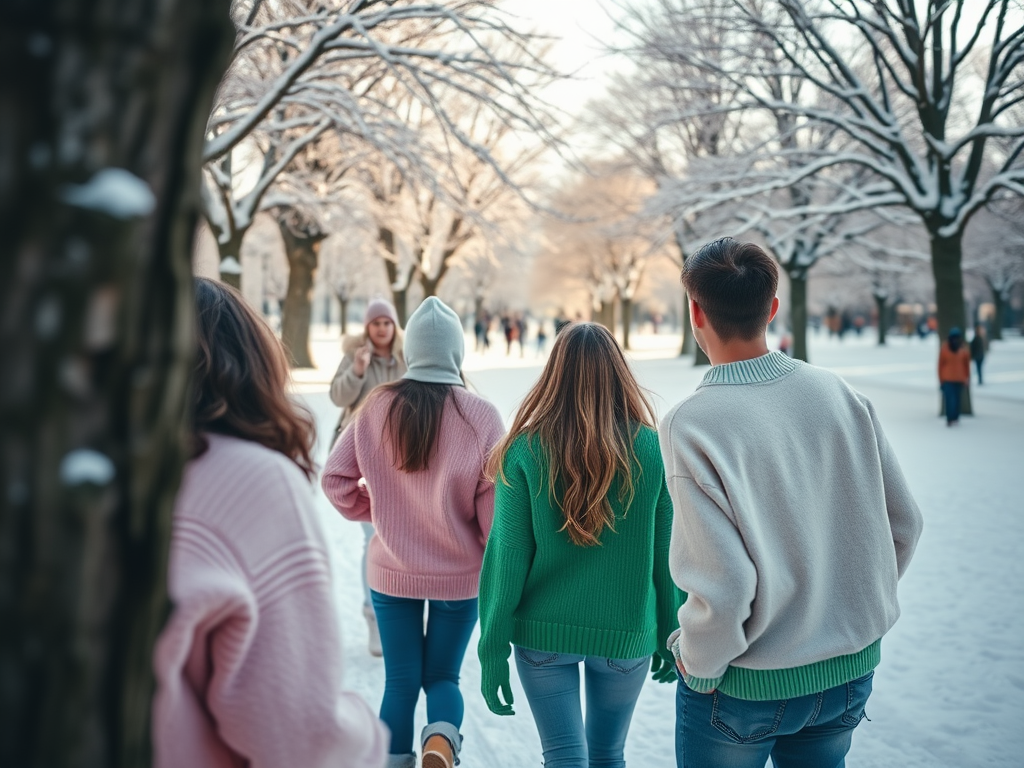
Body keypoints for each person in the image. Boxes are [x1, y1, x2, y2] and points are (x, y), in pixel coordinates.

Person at [660, 239, 924, 768]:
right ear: (772, 307)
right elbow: (905, 524)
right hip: (850, 672)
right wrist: (843, 612)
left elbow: (725, 582)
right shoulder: (839, 393)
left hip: (745, 687)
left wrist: (701, 663)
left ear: (695, 312)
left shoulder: (692, 424)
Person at [152, 278, 387, 768]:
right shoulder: (251, 481)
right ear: (252, 360)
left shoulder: (64, 477)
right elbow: (297, 730)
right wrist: (368, 737)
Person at [477, 322, 683, 768]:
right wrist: (670, 631)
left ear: (555, 375)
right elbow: (668, 557)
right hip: (626, 635)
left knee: (564, 758)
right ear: (618, 373)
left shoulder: (523, 450)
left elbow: (506, 557)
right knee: (609, 756)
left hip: (543, 635)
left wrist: (492, 647)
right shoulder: (654, 449)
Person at [323, 297, 505, 768]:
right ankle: (441, 743)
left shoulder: (375, 406)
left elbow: (336, 481)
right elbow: (494, 518)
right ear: (456, 352)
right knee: (444, 677)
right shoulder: (481, 416)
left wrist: (380, 512)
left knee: (400, 682)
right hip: (460, 578)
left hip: (390, 573)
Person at [329, 298, 406, 656]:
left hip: (402, 459)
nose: (381, 329)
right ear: (367, 327)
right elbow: (337, 396)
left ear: (394, 327)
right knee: (373, 536)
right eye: (375, 323)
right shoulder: (356, 356)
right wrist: (357, 370)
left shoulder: (407, 359)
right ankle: (373, 614)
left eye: (386, 323)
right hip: (362, 458)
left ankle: (399, 609)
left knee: (399, 535)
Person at [939, 327, 971, 425]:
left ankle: (953, 417)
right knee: (951, 399)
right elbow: (940, 365)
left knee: (955, 399)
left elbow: (966, 365)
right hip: (950, 378)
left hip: (955, 378)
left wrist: (966, 377)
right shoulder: (949, 348)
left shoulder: (962, 349)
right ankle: (951, 418)